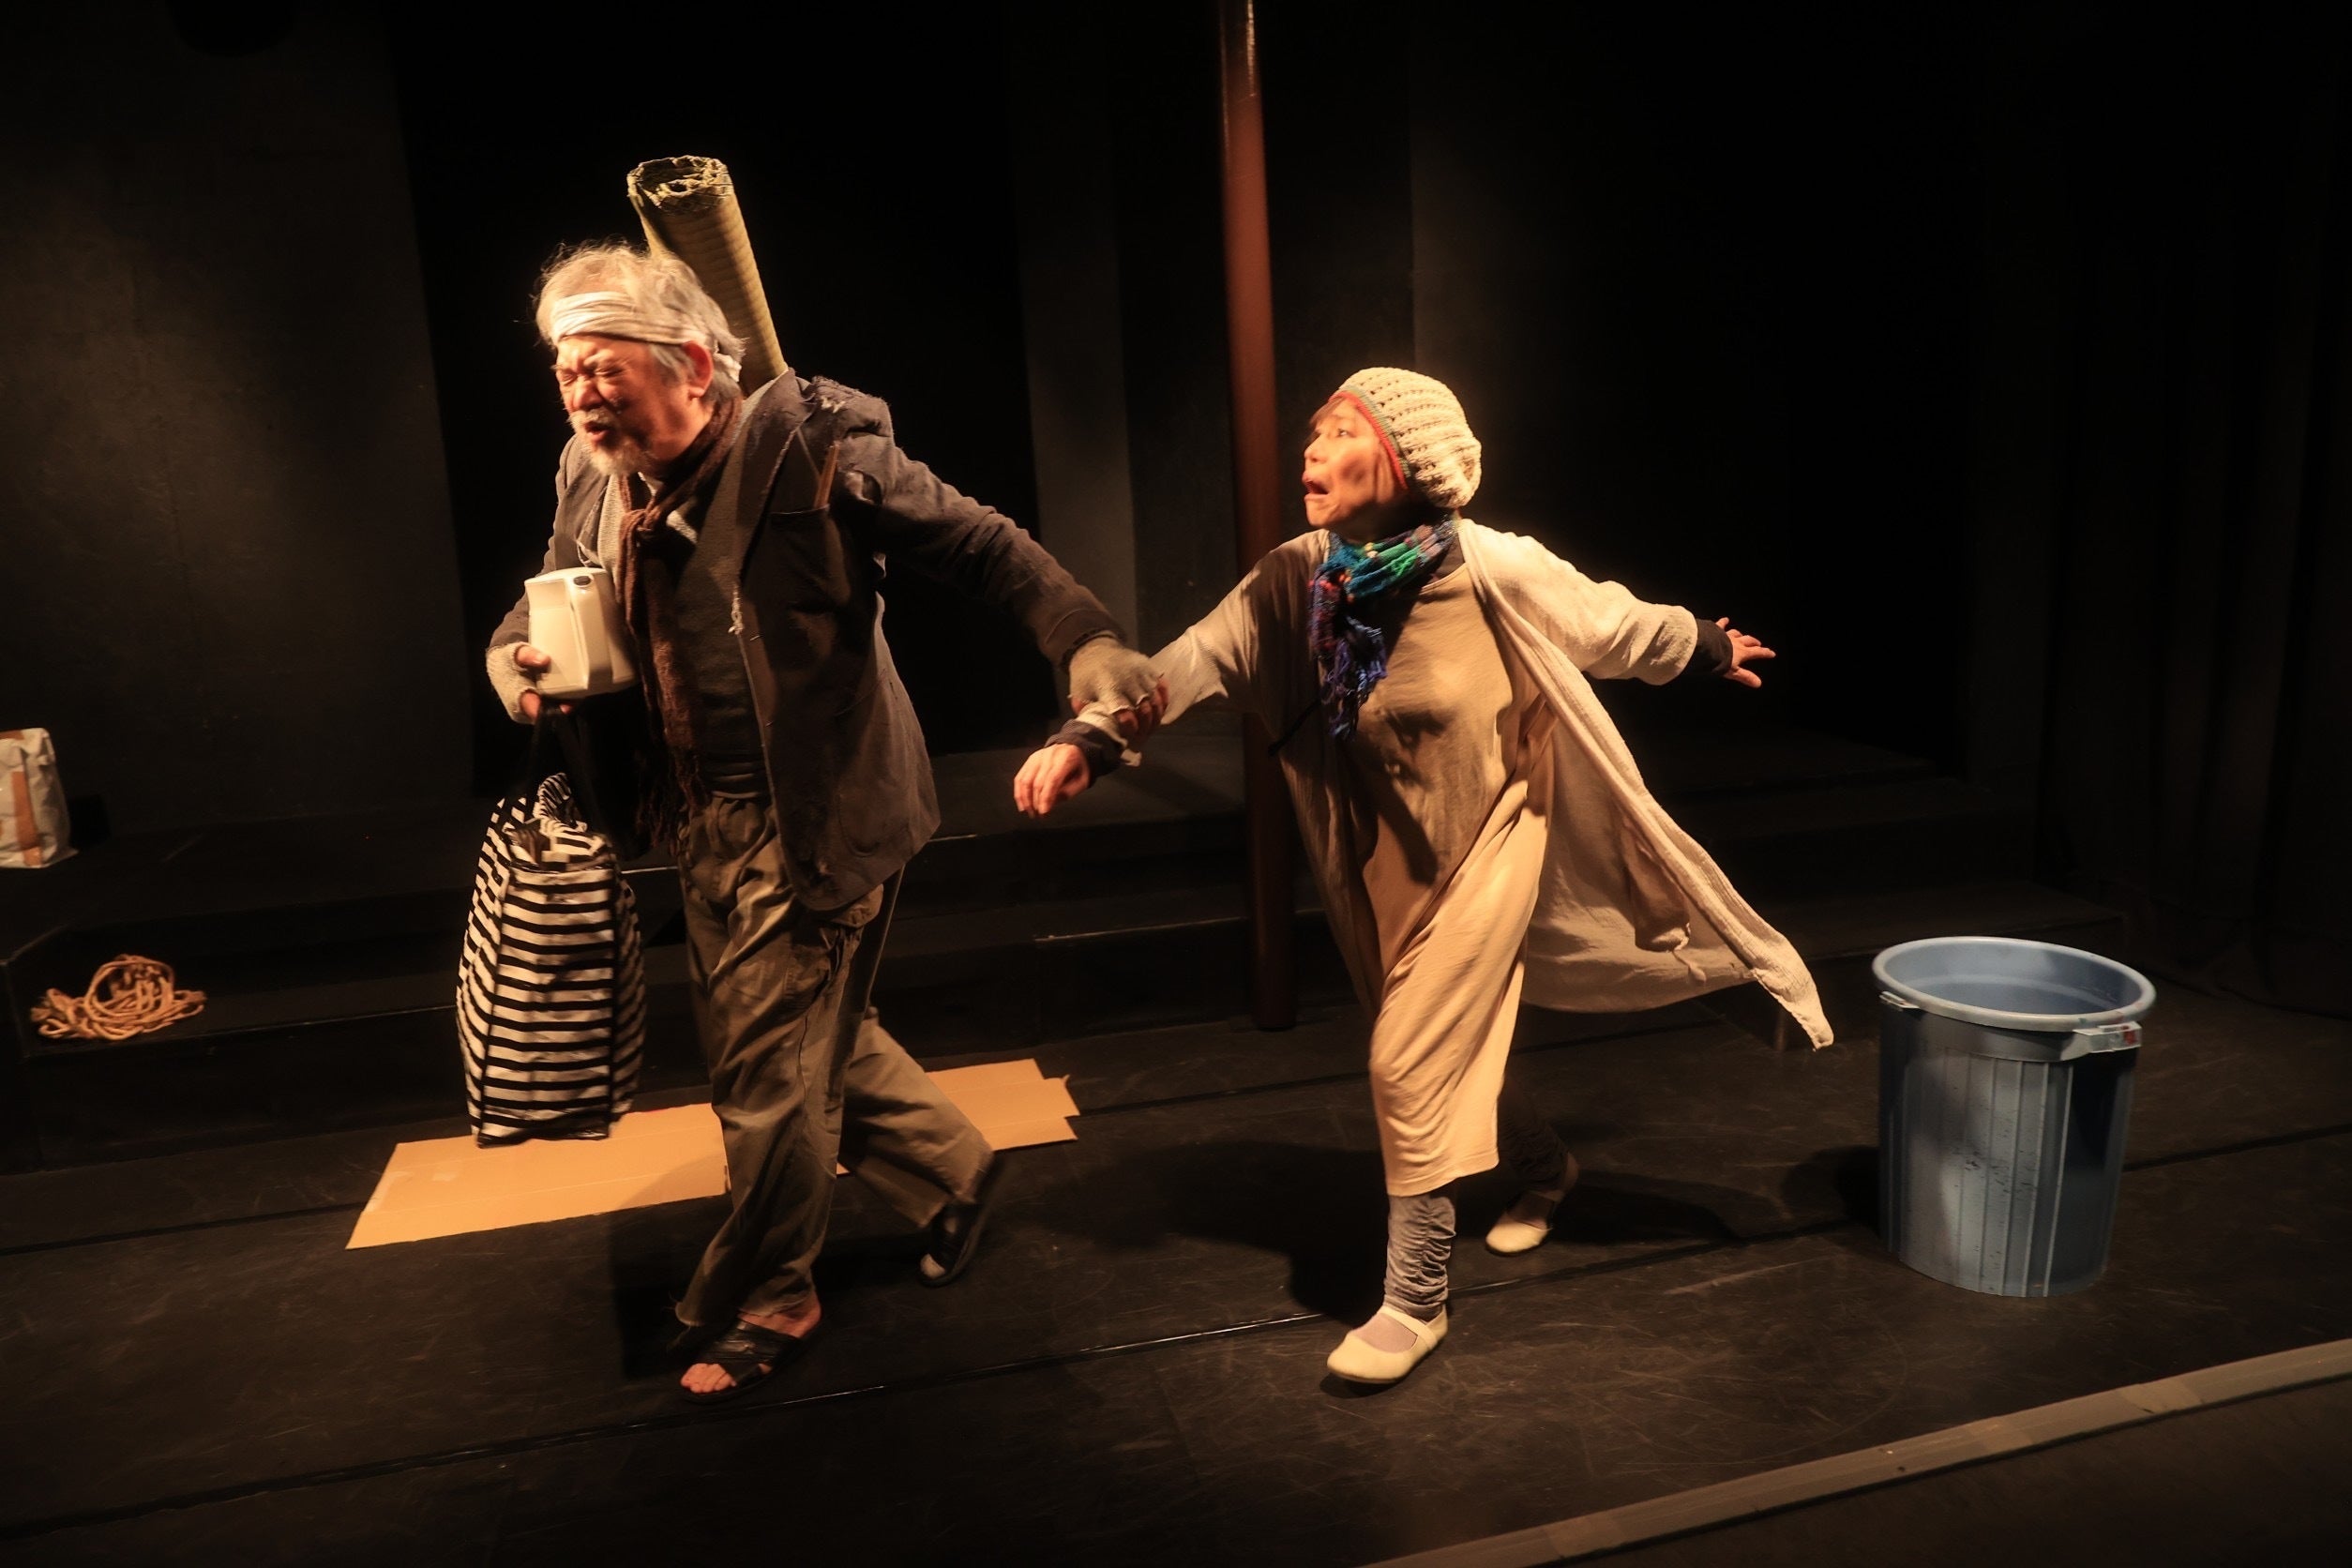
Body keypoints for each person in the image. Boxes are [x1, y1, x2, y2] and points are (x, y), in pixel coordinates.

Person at [1015, 367, 1831, 1385]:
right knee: (1448, 1044)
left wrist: (1703, 645)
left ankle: (1415, 1298)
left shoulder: (1489, 566)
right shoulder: (1296, 579)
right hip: (1374, 860)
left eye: (1340, 432)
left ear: (1408, 461)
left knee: (1407, 1062)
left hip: (1493, 840)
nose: (1311, 451)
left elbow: (1610, 624)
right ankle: (1544, 1167)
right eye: (1313, 433)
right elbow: (1188, 664)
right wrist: (1092, 738)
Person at [486, 243, 1160, 1401]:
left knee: (763, 1074)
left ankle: (772, 1291)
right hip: (692, 808)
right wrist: (516, 662)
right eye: (566, 370)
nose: (581, 394)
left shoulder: (816, 451)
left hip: (816, 810)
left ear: (695, 364)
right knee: (805, 1037)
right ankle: (952, 1172)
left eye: (604, 369)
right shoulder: (593, 474)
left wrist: (1087, 639)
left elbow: (985, 546)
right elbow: (548, 591)